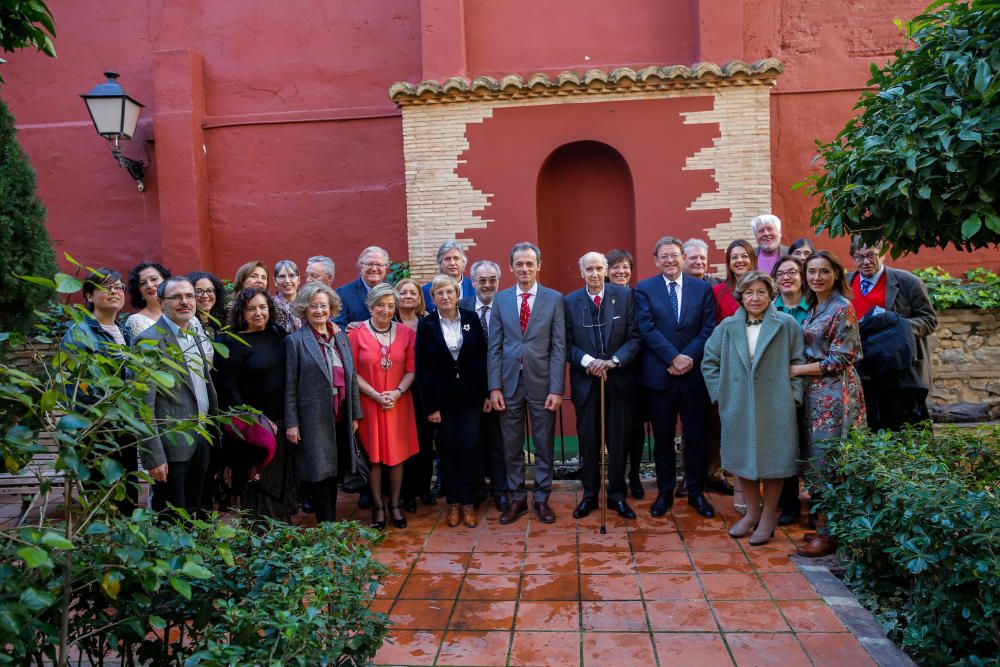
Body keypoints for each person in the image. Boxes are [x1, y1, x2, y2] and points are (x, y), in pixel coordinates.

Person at [702, 272, 806, 546]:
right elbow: (709, 362)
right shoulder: (726, 327)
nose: (755, 298)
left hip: (776, 404)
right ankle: (752, 514)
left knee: (774, 461)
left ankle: (769, 516)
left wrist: (792, 398)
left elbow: (799, 361)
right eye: (749, 292)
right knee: (741, 460)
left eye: (761, 292)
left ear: (771, 294)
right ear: (741, 296)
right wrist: (722, 395)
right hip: (738, 404)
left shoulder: (786, 324)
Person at [791, 251, 867, 557]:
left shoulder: (842, 308)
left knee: (830, 460)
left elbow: (841, 358)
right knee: (818, 460)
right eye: (811, 272)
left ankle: (829, 532)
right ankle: (827, 525)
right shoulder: (816, 305)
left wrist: (796, 369)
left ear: (836, 274)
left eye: (824, 271)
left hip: (837, 394)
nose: (817, 277)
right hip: (816, 395)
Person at [635, 236, 717, 519]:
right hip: (661, 377)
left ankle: (695, 492)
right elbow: (646, 327)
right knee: (663, 440)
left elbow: (708, 328)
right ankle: (664, 493)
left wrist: (687, 358)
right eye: (663, 256)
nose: (669, 261)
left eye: (674, 255)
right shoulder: (645, 288)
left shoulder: (702, 288)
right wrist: (673, 357)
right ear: (656, 261)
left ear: (683, 258)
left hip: (693, 377)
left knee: (696, 437)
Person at [488, 242, 566, 525]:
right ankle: (517, 498)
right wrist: (494, 387)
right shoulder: (501, 299)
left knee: (544, 443)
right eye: (519, 264)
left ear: (538, 266)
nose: (524, 268)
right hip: (508, 384)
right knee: (511, 445)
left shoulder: (554, 299)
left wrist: (557, 389)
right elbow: (494, 346)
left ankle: (542, 499)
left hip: (543, 383)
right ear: (511, 267)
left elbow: (559, 346)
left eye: (529, 263)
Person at [564, 252, 641, 520]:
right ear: (581, 272)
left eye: (599, 268)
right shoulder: (570, 302)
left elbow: (634, 337)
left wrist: (613, 362)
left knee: (619, 441)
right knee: (588, 442)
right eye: (589, 269)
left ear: (606, 269)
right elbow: (566, 342)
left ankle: (617, 495)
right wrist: (589, 362)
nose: (594, 274)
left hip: (618, 381)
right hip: (586, 383)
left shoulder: (625, 297)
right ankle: (589, 496)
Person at [135, 276, 217, 515]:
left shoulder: (194, 335)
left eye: (189, 296)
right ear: (161, 302)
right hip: (172, 447)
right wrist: (154, 456)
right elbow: (142, 405)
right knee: (171, 519)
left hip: (201, 439)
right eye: (177, 297)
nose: (185, 302)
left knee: (197, 510)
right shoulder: (148, 342)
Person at [215, 287, 296, 521]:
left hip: (281, 419)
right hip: (253, 427)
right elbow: (229, 386)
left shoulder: (276, 333)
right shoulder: (233, 341)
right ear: (242, 312)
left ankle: (281, 526)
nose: (258, 313)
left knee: (280, 477)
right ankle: (260, 532)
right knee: (256, 480)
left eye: (262, 307)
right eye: (252, 309)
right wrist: (254, 419)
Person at [61, 268, 138, 514]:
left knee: (127, 500)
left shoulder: (124, 332)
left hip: (126, 429)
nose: (114, 292)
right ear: (90, 296)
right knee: (103, 504)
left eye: (118, 287)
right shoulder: (79, 334)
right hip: (98, 432)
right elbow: (79, 389)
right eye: (106, 287)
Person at [284, 283, 362, 523]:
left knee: (336, 470)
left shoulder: (341, 337)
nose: (318, 311)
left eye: (323, 306)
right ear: (304, 310)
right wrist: (292, 423)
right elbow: (290, 385)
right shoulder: (295, 341)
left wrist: (355, 415)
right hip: (313, 419)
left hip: (340, 416)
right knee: (320, 474)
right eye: (313, 306)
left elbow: (351, 378)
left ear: (331, 308)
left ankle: (332, 521)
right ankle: (327, 524)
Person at [416, 275, 489, 528]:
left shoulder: (471, 320)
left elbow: (482, 359)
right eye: (439, 293)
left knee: (469, 447)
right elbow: (422, 367)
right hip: (442, 401)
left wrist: (487, 394)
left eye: (449, 292)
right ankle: (454, 503)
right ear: (432, 297)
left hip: (470, 398)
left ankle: (469, 502)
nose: (445, 297)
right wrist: (431, 407)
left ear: (457, 294)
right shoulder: (426, 326)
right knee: (447, 450)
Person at [349, 283, 418, 530]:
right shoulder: (355, 334)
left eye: (391, 305)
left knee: (396, 456)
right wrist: (377, 395)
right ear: (370, 306)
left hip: (398, 402)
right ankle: (378, 507)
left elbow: (412, 369)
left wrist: (397, 392)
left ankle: (396, 505)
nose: (385, 310)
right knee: (375, 458)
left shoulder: (406, 333)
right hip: (370, 402)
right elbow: (352, 373)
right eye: (380, 305)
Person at [847, 236, 938, 397]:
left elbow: (929, 320)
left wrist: (896, 326)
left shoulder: (908, 282)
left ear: (882, 254)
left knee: (903, 419)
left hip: (897, 364)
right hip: (858, 365)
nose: (866, 261)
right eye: (859, 257)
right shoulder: (845, 284)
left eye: (871, 255)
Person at [460, 259, 508, 511]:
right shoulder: (461, 307)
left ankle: (501, 491)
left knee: (498, 441)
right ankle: (477, 490)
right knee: (473, 440)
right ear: (473, 282)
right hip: (469, 390)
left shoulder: (507, 305)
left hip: (500, 387)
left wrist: (494, 388)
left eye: (492, 280)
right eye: (482, 280)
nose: (487, 285)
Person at [771, 255, 810, 525]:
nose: (787, 277)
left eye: (793, 272)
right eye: (781, 273)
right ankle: (789, 504)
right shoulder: (768, 310)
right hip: (778, 388)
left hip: (817, 385)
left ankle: (819, 505)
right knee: (784, 446)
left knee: (814, 446)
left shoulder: (816, 308)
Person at [605, 249, 646, 500]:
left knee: (636, 429)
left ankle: (635, 475)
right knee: (614, 430)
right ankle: (616, 476)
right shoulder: (600, 297)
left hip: (636, 372)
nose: (621, 271)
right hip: (609, 374)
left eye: (625, 267)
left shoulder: (637, 295)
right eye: (615, 267)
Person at [395, 277, 436, 512]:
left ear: (420, 298)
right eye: (404, 292)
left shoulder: (427, 322)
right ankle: (407, 493)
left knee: (425, 441)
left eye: (413, 293)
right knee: (405, 441)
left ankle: (424, 488)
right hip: (401, 389)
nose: (409, 296)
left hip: (424, 389)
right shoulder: (391, 322)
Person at [336, 246, 391, 327]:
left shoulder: (392, 292)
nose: (374, 269)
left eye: (379, 264)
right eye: (370, 264)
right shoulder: (342, 293)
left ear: (385, 268)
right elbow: (338, 326)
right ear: (361, 267)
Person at [422, 241, 476, 312]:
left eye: (456, 258)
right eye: (447, 259)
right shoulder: (426, 290)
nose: (452, 263)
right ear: (440, 263)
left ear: (463, 262)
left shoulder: (474, 287)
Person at [124, 262, 171, 343]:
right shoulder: (136, 321)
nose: (149, 285)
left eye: (154, 279)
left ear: (166, 281)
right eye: (143, 283)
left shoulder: (181, 311)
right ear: (139, 292)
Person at [713, 239, 757, 323]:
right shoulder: (717, 292)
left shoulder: (763, 288)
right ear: (729, 263)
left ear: (752, 260)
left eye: (744, 256)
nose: (739, 260)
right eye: (734, 257)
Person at [273, 259, 302, 333]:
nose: (287, 281)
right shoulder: (269, 306)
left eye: (292, 276)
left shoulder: (308, 304)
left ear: (298, 279)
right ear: (275, 281)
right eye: (282, 277)